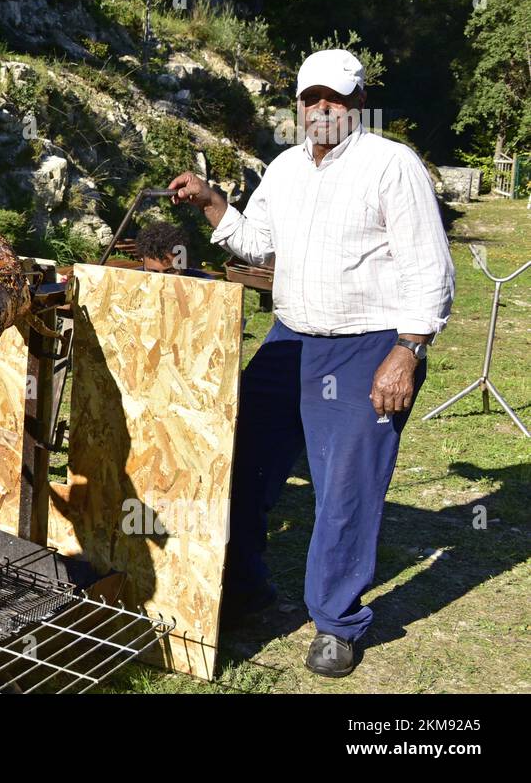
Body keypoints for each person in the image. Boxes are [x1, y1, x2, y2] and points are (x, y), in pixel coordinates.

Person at [168, 48, 455, 677]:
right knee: (239, 461)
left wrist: (407, 352)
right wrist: (215, 202)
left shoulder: (391, 165)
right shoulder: (286, 169)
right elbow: (258, 242)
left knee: (343, 487)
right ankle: (244, 591)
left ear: (355, 103)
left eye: (334, 97)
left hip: (368, 345)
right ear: (298, 104)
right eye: (309, 98)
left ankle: (336, 621)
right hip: (291, 339)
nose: (320, 108)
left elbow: (429, 267)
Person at [134, 221, 212, 277]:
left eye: (170, 271)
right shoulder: (130, 282)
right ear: (143, 262)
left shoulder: (205, 285)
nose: (162, 281)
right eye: (154, 272)